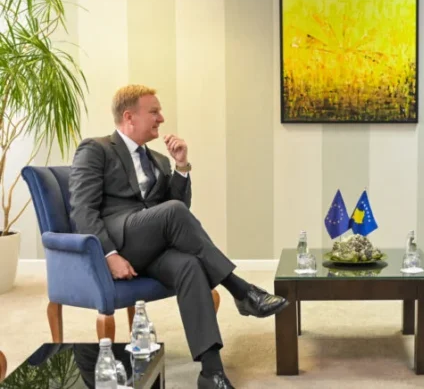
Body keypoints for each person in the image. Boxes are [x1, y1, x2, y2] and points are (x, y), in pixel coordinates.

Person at [69, 84, 289, 389]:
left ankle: (211, 372)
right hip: (121, 243)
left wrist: (181, 167)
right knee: (173, 213)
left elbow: (178, 212)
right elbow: (82, 209)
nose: (161, 118)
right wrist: (109, 255)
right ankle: (241, 290)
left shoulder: (159, 160)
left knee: (190, 265)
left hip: (153, 249)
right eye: (154, 111)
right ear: (129, 116)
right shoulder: (96, 149)